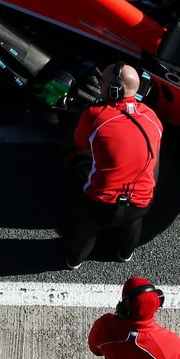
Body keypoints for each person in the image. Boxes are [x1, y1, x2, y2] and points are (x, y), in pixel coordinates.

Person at [65, 64, 164, 268]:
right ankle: (125, 253)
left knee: (87, 230)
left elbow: (81, 144)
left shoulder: (95, 115)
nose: (100, 83)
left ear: (114, 89)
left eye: (103, 80)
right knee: (131, 225)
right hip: (141, 201)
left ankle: (74, 260)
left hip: (100, 201)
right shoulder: (151, 116)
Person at [89, 277, 180, 359]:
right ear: (158, 303)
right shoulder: (170, 342)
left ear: (124, 305)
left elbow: (95, 350)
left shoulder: (105, 326)